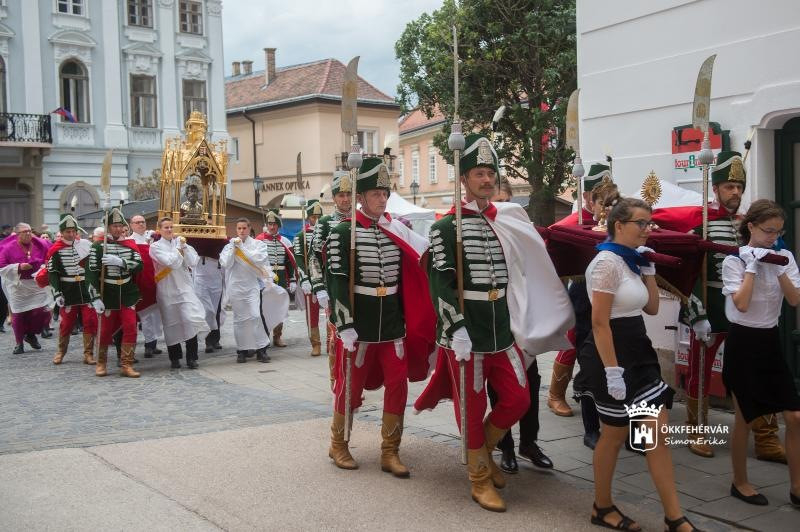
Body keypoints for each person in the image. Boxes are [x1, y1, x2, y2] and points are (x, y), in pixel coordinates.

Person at [414, 135, 573, 512]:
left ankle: (482, 451)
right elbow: (440, 285)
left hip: (501, 328)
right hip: (466, 331)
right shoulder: (446, 228)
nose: (487, 180)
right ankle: (480, 477)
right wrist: (456, 329)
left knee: (518, 398)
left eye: (490, 173)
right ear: (464, 179)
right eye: (479, 174)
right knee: (471, 407)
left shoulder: (503, 221)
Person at [572, 198, 698, 532]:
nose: (648, 229)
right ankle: (602, 506)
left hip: (639, 350)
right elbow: (599, 322)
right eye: (641, 223)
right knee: (613, 434)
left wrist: (649, 272)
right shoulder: (606, 263)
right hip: (610, 353)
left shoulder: (632, 260)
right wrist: (613, 372)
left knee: (656, 434)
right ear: (619, 225)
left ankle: (674, 517)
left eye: (649, 223)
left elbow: (652, 308)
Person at [653, 151, 784, 461]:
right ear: (715, 189)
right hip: (710, 306)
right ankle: (697, 429)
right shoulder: (700, 222)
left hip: (746, 309)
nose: (735, 192)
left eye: (739, 187)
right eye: (729, 186)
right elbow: (687, 273)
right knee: (700, 369)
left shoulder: (750, 225)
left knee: (755, 371)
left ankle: (765, 438)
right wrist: (696, 312)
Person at [325, 157, 435, 478]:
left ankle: (390, 450)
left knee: (398, 384)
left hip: (392, 325)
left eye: (385, 193)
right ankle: (338, 443)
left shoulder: (395, 229)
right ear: (360, 197)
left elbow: (411, 271)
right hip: (359, 325)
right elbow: (336, 281)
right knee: (350, 385)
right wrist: (344, 323)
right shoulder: (343, 233)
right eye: (376, 194)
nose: (382, 199)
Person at [720, 199, 800, 507]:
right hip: (743, 342)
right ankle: (739, 482)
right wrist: (752, 267)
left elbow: (794, 300)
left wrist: (777, 267)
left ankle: (797, 487)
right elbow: (741, 304)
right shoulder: (735, 261)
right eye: (768, 231)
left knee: (794, 415)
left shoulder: (784, 257)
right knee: (745, 417)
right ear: (751, 227)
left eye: (778, 232)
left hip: (769, 340)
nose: (773, 237)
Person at [487, 180, 553, 473]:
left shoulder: (521, 230)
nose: (501, 207)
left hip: (522, 317)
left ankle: (529, 441)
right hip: (495, 318)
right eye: (496, 201)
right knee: (498, 387)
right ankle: (505, 445)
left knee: (531, 380)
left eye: (506, 201)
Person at [548, 164, 612, 451]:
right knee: (575, 341)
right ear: (587, 198)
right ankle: (555, 394)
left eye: (611, 197)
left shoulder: (616, 222)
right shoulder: (573, 223)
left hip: (609, 292)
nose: (607, 203)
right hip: (582, 290)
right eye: (601, 196)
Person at [86, 207, 143, 377]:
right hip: (108, 293)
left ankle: (126, 364)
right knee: (104, 330)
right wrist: (95, 297)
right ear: (108, 227)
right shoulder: (98, 247)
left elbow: (139, 265)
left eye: (120, 226)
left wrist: (122, 262)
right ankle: (101, 362)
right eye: (114, 226)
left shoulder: (130, 245)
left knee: (131, 327)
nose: (118, 229)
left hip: (127, 292)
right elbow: (91, 274)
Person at [150, 218, 208, 369]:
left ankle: (192, 357)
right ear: (159, 230)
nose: (169, 230)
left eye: (171, 227)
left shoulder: (181, 243)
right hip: (167, 289)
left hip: (184, 287)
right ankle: (175, 358)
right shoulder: (155, 247)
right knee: (171, 323)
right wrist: (178, 249)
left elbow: (193, 262)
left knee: (190, 319)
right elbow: (170, 262)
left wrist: (185, 247)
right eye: (166, 227)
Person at [310, 170, 350, 386]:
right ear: (334, 198)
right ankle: (336, 378)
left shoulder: (361, 220)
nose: (345, 199)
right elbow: (314, 257)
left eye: (348, 194)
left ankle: (354, 380)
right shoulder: (325, 223)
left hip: (358, 288)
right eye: (341, 195)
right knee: (336, 336)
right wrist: (319, 286)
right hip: (333, 288)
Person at [46, 213, 97, 365]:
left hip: (86, 290)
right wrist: (57, 293)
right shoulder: (55, 250)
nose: (71, 234)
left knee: (89, 321)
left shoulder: (85, 245)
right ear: (61, 232)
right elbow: (53, 274)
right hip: (68, 291)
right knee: (66, 324)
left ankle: (88, 354)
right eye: (68, 231)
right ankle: (61, 352)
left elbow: (93, 267)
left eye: (73, 231)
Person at [219, 218, 271, 363]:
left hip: (251, 286)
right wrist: (233, 249)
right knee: (240, 320)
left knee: (255, 316)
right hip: (235, 287)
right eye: (239, 228)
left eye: (244, 228)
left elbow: (258, 260)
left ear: (249, 229)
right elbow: (225, 263)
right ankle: (241, 350)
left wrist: (242, 248)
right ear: (236, 230)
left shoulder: (258, 244)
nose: (241, 231)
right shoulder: (229, 246)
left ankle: (262, 349)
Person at [0, 223, 52, 353]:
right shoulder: (8, 248)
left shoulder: (40, 244)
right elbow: (1, 267)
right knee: (18, 314)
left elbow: (49, 257)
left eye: (29, 231)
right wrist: (18, 267)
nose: (28, 234)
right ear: (18, 234)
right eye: (25, 232)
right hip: (17, 285)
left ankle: (30, 334)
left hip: (35, 283)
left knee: (42, 311)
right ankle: (19, 343)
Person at [255, 210, 297, 347]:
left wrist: (292, 279)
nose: (272, 227)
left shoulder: (285, 241)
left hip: (281, 278)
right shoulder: (259, 240)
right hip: (265, 278)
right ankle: (264, 336)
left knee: (280, 307)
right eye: (269, 224)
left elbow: (290, 262)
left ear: (278, 226)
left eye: (274, 224)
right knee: (265, 307)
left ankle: (277, 336)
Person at [129, 214, 164, 358]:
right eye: (137, 222)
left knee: (156, 314)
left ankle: (152, 343)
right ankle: (145, 346)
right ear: (131, 225)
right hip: (140, 282)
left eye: (142, 222)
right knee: (144, 315)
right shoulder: (129, 241)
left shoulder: (153, 239)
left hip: (155, 280)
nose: (141, 224)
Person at [293, 200, 324, 356]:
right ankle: (315, 343)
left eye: (319, 217)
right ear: (308, 217)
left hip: (326, 278)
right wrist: (304, 278)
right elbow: (299, 259)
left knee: (332, 312)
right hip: (310, 279)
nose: (316, 220)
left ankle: (333, 341)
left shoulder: (328, 232)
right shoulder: (301, 236)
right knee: (312, 313)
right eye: (313, 217)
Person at [193, 248, 225, 354]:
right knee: (208, 311)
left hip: (217, 281)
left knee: (216, 311)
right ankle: (208, 341)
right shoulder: (198, 248)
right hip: (202, 282)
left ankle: (215, 339)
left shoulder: (219, 247)